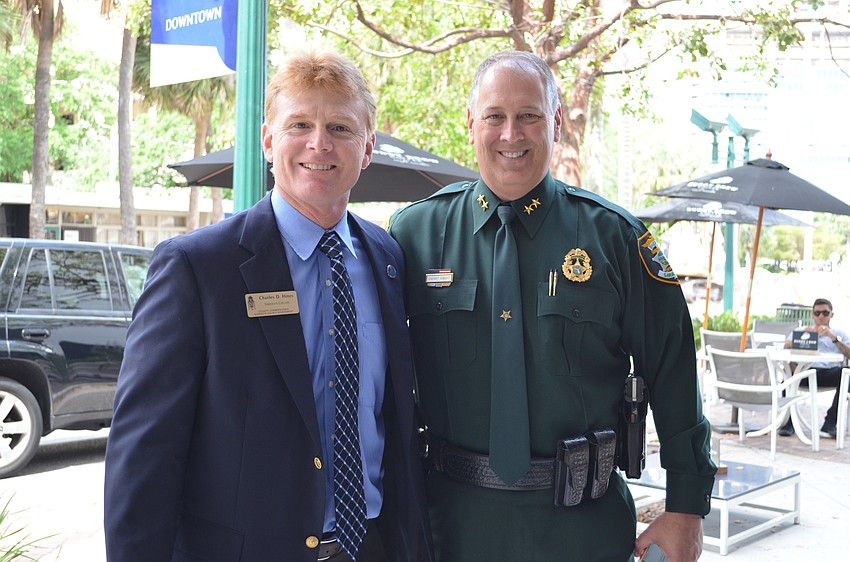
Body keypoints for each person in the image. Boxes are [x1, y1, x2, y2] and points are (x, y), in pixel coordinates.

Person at [104, 51, 433, 562]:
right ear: (267, 140)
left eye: (340, 128)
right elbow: (143, 454)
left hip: (373, 548)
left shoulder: (387, 256)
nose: (318, 143)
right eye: (299, 123)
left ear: (367, 148)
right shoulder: (197, 267)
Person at [388, 50, 716, 562]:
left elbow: (674, 371)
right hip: (451, 524)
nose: (510, 134)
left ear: (556, 123)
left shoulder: (615, 239)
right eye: (495, 116)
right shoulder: (415, 235)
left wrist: (686, 509)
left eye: (529, 116)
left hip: (582, 529)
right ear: (470, 123)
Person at [779, 298, 849, 438]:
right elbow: (785, 347)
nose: (821, 316)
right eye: (817, 313)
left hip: (828, 373)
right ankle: (788, 423)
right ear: (812, 314)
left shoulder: (839, 333)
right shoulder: (801, 331)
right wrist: (803, 338)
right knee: (786, 380)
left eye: (825, 313)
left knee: (847, 375)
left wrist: (833, 338)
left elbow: (848, 353)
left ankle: (830, 423)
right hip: (804, 372)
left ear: (831, 314)